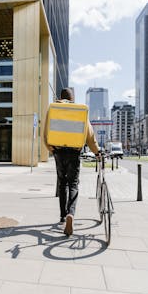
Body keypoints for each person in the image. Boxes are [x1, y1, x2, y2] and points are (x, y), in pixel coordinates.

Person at [44, 88, 100, 236]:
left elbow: (46, 132)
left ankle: (63, 216)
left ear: (60, 97)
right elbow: (90, 136)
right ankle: (71, 214)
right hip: (74, 152)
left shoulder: (53, 109)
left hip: (58, 152)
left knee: (62, 183)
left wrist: (52, 149)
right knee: (73, 184)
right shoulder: (80, 111)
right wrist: (97, 152)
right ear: (72, 98)